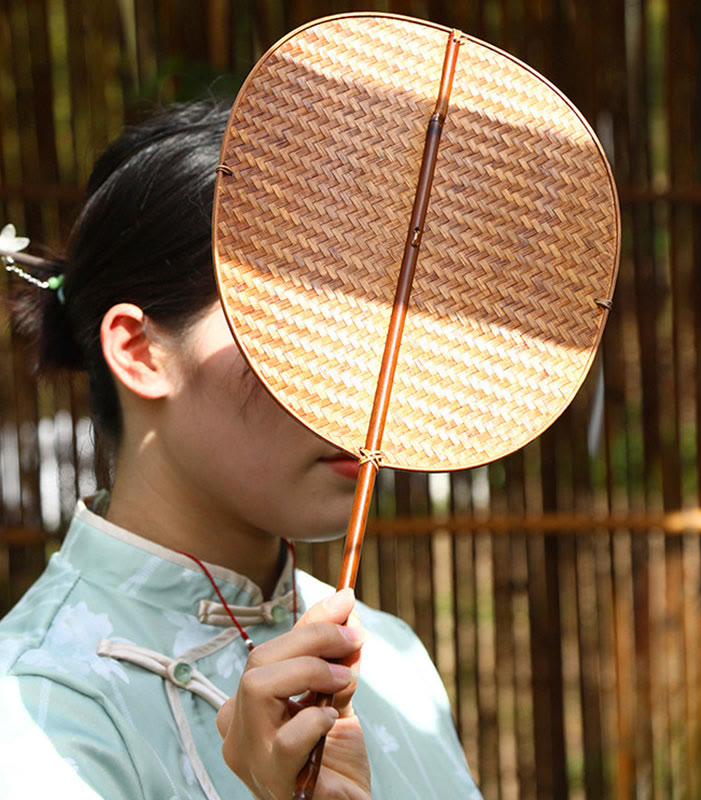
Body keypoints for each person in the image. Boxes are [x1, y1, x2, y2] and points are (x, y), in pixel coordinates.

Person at [0, 101, 481, 800]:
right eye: (292, 326)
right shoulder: (37, 705)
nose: (362, 382)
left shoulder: (390, 659)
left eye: (369, 328)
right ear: (139, 351)